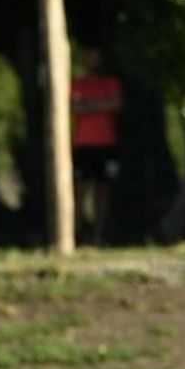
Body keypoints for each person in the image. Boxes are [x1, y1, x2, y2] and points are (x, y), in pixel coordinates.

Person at [71, 48, 123, 244]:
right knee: (79, 190)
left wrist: (88, 105)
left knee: (102, 190)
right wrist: (102, 104)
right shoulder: (77, 83)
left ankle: (98, 235)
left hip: (106, 144)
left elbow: (116, 104)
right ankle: (76, 233)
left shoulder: (111, 83)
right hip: (83, 145)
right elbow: (75, 107)